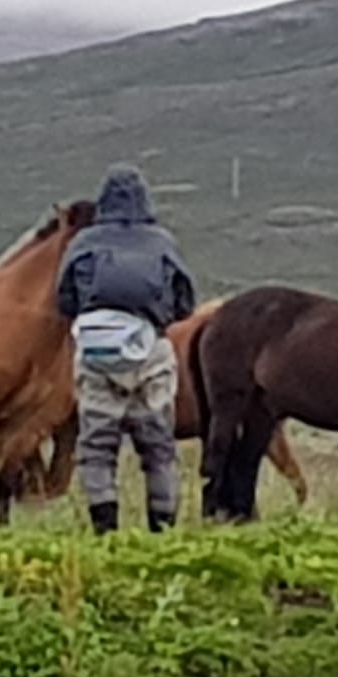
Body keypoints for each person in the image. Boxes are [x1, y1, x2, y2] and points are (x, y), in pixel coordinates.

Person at [55, 165, 197, 533]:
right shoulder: (162, 242)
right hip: (150, 350)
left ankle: (106, 530)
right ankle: (161, 529)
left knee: (97, 447)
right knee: (158, 447)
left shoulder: (83, 243)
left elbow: (64, 299)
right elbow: (186, 302)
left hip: (96, 353)